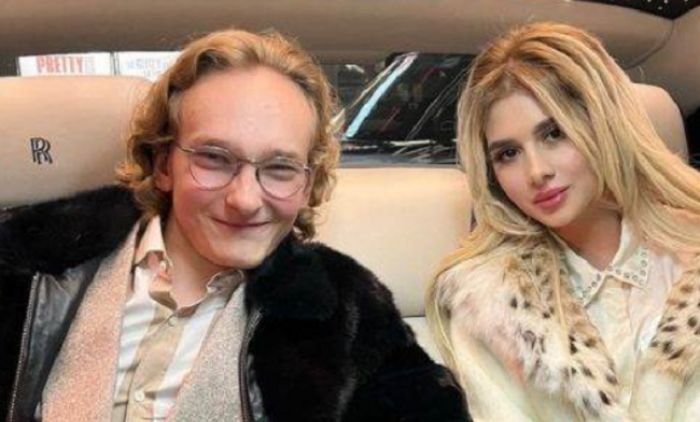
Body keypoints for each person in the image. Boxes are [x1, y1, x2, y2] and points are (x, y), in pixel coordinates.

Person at [0, 28, 469, 421]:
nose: (245, 200)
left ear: (307, 184)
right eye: (214, 158)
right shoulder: (23, 266)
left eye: (280, 168)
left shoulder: (345, 308)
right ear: (163, 164)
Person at [426, 22, 700, 421]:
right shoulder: (490, 306)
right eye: (508, 154)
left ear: (603, 125)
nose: (536, 171)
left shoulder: (688, 256)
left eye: (554, 133)